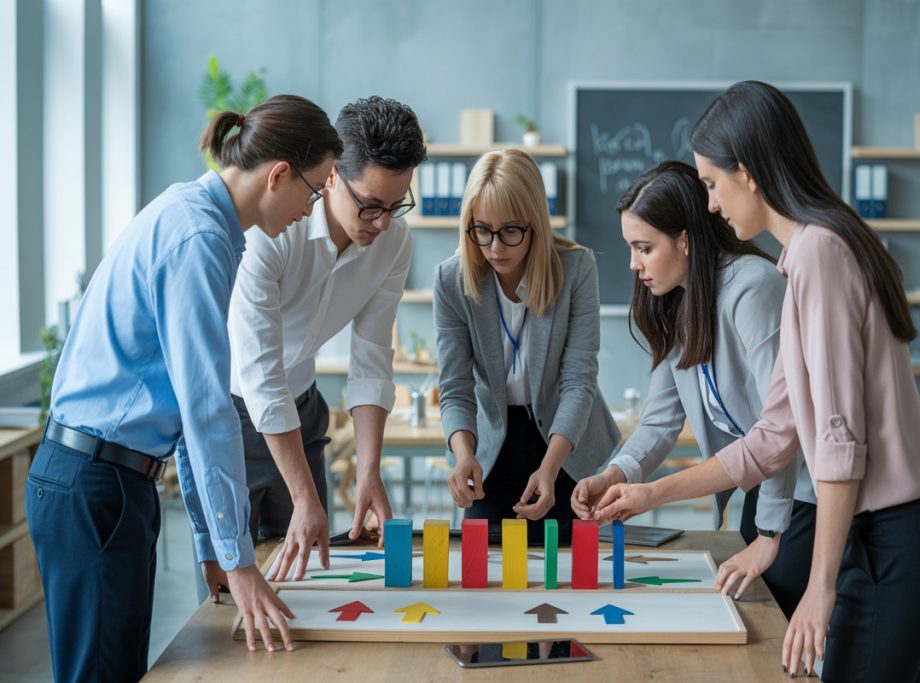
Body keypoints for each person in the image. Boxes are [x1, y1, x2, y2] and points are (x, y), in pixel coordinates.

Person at [593, 81, 920, 682]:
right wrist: (650, 494)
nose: (710, 204)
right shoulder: (804, 259)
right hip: (882, 531)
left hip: (902, 531)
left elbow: (839, 448)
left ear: (750, 174)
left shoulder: (819, 254)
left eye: (712, 185)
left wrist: (818, 586)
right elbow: (774, 435)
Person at [26, 94, 342, 681]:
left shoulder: (192, 213)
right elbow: (206, 414)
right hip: (98, 484)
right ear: (278, 175)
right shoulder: (199, 238)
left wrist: (212, 543)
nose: (313, 208)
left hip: (107, 480)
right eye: (316, 189)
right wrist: (241, 562)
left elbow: (186, 412)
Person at [197, 97, 426, 594]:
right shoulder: (272, 231)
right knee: (229, 595)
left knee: (307, 584)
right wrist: (305, 495)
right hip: (231, 417)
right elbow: (259, 373)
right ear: (329, 176)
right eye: (370, 203)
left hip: (300, 411)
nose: (382, 222)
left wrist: (369, 472)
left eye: (396, 205)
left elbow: (371, 358)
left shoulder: (394, 243)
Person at [571, 160, 817, 618]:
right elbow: (660, 420)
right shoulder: (679, 301)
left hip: (805, 498)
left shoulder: (752, 290)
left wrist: (767, 531)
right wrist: (615, 475)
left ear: (684, 239)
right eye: (630, 248)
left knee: (772, 629)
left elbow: (783, 433)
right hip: (761, 491)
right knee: (756, 622)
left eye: (644, 247)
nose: (633, 264)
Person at [434, 148, 619, 544]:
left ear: (535, 223)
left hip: (566, 447)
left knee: (572, 576)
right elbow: (455, 387)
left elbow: (578, 381)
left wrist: (550, 467)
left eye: (510, 230)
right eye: (482, 229)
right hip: (489, 448)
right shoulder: (451, 280)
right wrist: (463, 454)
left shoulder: (577, 269)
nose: (495, 246)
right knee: (482, 572)